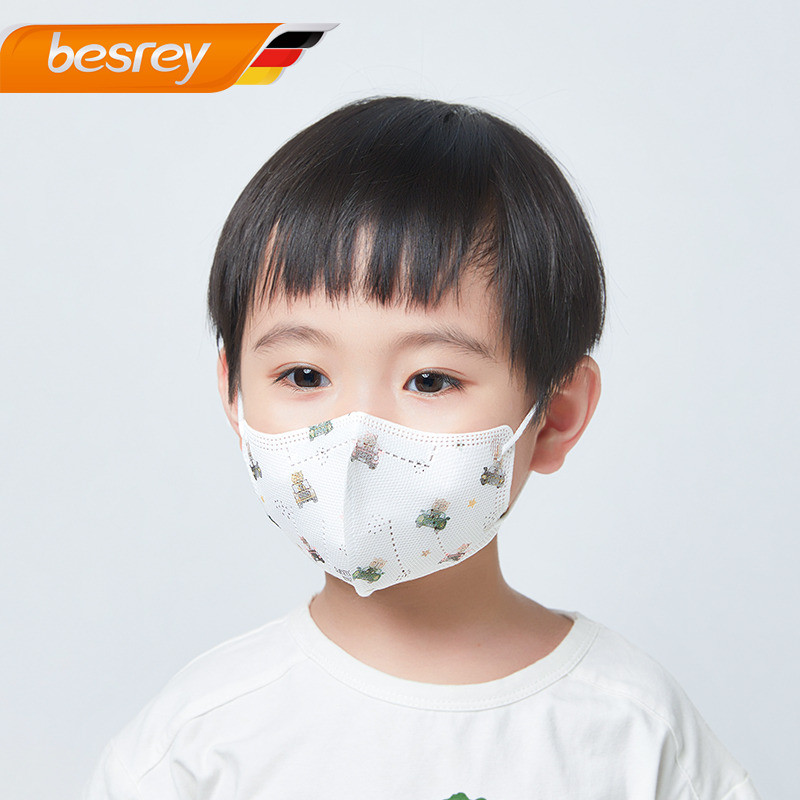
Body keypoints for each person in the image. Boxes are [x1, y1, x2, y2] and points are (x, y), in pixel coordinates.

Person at [83, 96, 761, 799]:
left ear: (555, 416)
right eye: (305, 375)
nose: (357, 433)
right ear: (235, 394)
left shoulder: (638, 737)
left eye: (430, 379)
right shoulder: (193, 749)